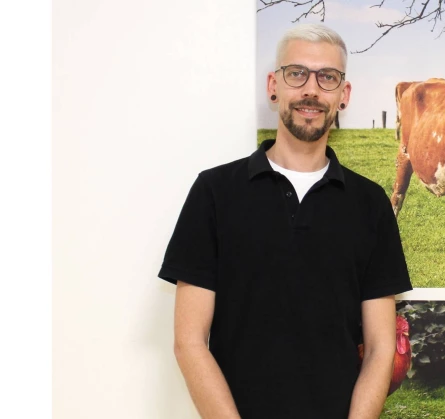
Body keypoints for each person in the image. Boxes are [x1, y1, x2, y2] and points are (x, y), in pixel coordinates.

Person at [158, 23, 412, 418]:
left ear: (343, 96)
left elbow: (380, 348)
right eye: (297, 74)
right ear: (273, 85)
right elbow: (188, 341)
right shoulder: (214, 192)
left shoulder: (370, 204)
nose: (311, 89)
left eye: (327, 77)